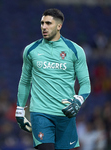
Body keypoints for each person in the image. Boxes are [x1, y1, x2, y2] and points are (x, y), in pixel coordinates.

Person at [15, 8, 91, 150]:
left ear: (59, 26)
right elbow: (25, 82)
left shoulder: (75, 50)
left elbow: (85, 83)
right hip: (40, 113)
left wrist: (78, 101)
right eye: (42, 23)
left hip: (66, 114)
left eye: (48, 23)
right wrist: (20, 110)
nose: (44, 26)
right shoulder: (31, 50)